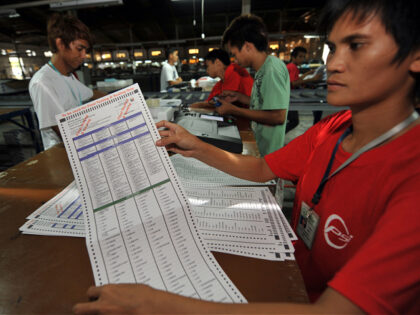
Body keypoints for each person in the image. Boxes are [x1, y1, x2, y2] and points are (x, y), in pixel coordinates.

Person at [73, 0, 420, 313]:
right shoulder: (332, 129)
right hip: (292, 282)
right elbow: (261, 168)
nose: (334, 63)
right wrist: (196, 145)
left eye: (356, 46)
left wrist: (157, 304)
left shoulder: (411, 175)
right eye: (332, 47)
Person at [29, 13, 106, 150]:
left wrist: (123, 101)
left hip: (80, 146)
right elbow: (62, 131)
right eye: (80, 49)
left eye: (85, 51)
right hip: (62, 153)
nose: (84, 56)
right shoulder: (43, 82)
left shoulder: (67, 77)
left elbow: (93, 94)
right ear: (60, 44)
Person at [216, 15, 290, 156]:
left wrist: (234, 110)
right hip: (260, 145)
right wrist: (238, 97)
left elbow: (278, 116)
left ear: (248, 46)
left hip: (270, 153)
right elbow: (263, 104)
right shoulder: (262, 70)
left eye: (235, 54)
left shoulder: (272, 69)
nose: (235, 60)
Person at [286, 46, 323, 133]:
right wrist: (312, 79)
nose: (302, 59)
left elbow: (297, 80)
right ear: (293, 57)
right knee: (294, 121)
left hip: (289, 97)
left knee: (292, 121)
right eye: (300, 56)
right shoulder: (292, 67)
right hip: (288, 98)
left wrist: (308, 73)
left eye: (303, 57)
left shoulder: (292, 66)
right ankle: (277, 137)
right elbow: (292, 83)